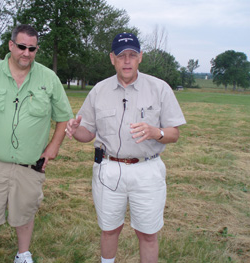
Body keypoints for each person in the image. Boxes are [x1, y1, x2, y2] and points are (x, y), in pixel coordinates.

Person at [0, 24, 73, 263]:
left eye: (32, 48)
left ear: (37, 49)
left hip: (30, 163)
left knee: (25, 212)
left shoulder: (49, 78)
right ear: (11, 45)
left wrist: (54, 146)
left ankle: (23, 254)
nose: (26, 53)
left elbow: (64, 117)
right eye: (21, 47)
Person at [65, 32, 186, 263]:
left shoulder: (159, 88)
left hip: (147, 171)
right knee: (109, 229)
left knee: (148, 233)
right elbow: (87, 133)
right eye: (121, 56)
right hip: (109, 170)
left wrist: (155, 132)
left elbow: (174, 133)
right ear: (112, 59)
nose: (127, 60)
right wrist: (73, 129)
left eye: (132, 55)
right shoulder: (99, 90)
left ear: (140, 57)